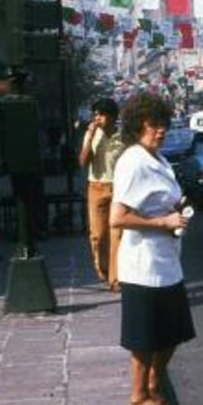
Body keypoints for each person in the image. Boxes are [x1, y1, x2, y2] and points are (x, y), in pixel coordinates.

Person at [110, 93, 195, 405]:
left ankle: (153, 382)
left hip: (167, 261)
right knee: (144, 340)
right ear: (138, 125)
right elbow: (117, 218)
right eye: (152, 124)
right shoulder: (132, 161)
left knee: (173, 332)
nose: (159, 130)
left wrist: (176, 210)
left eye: (163, 124)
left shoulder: (156, 158)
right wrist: (162, 222)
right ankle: (137, 396)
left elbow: (159, 199)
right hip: (143, 264)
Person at [78, 98, 124, 291]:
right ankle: (103, 269)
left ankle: (116, 278)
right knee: (98, 235)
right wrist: (89, 137)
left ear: (113, 117)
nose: (98, 118)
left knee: (117, 234)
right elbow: (83, 161)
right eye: (95, 114)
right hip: (97, 187)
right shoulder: (92, 134)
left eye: (102, 114)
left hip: (119, 187)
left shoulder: (123, 137)